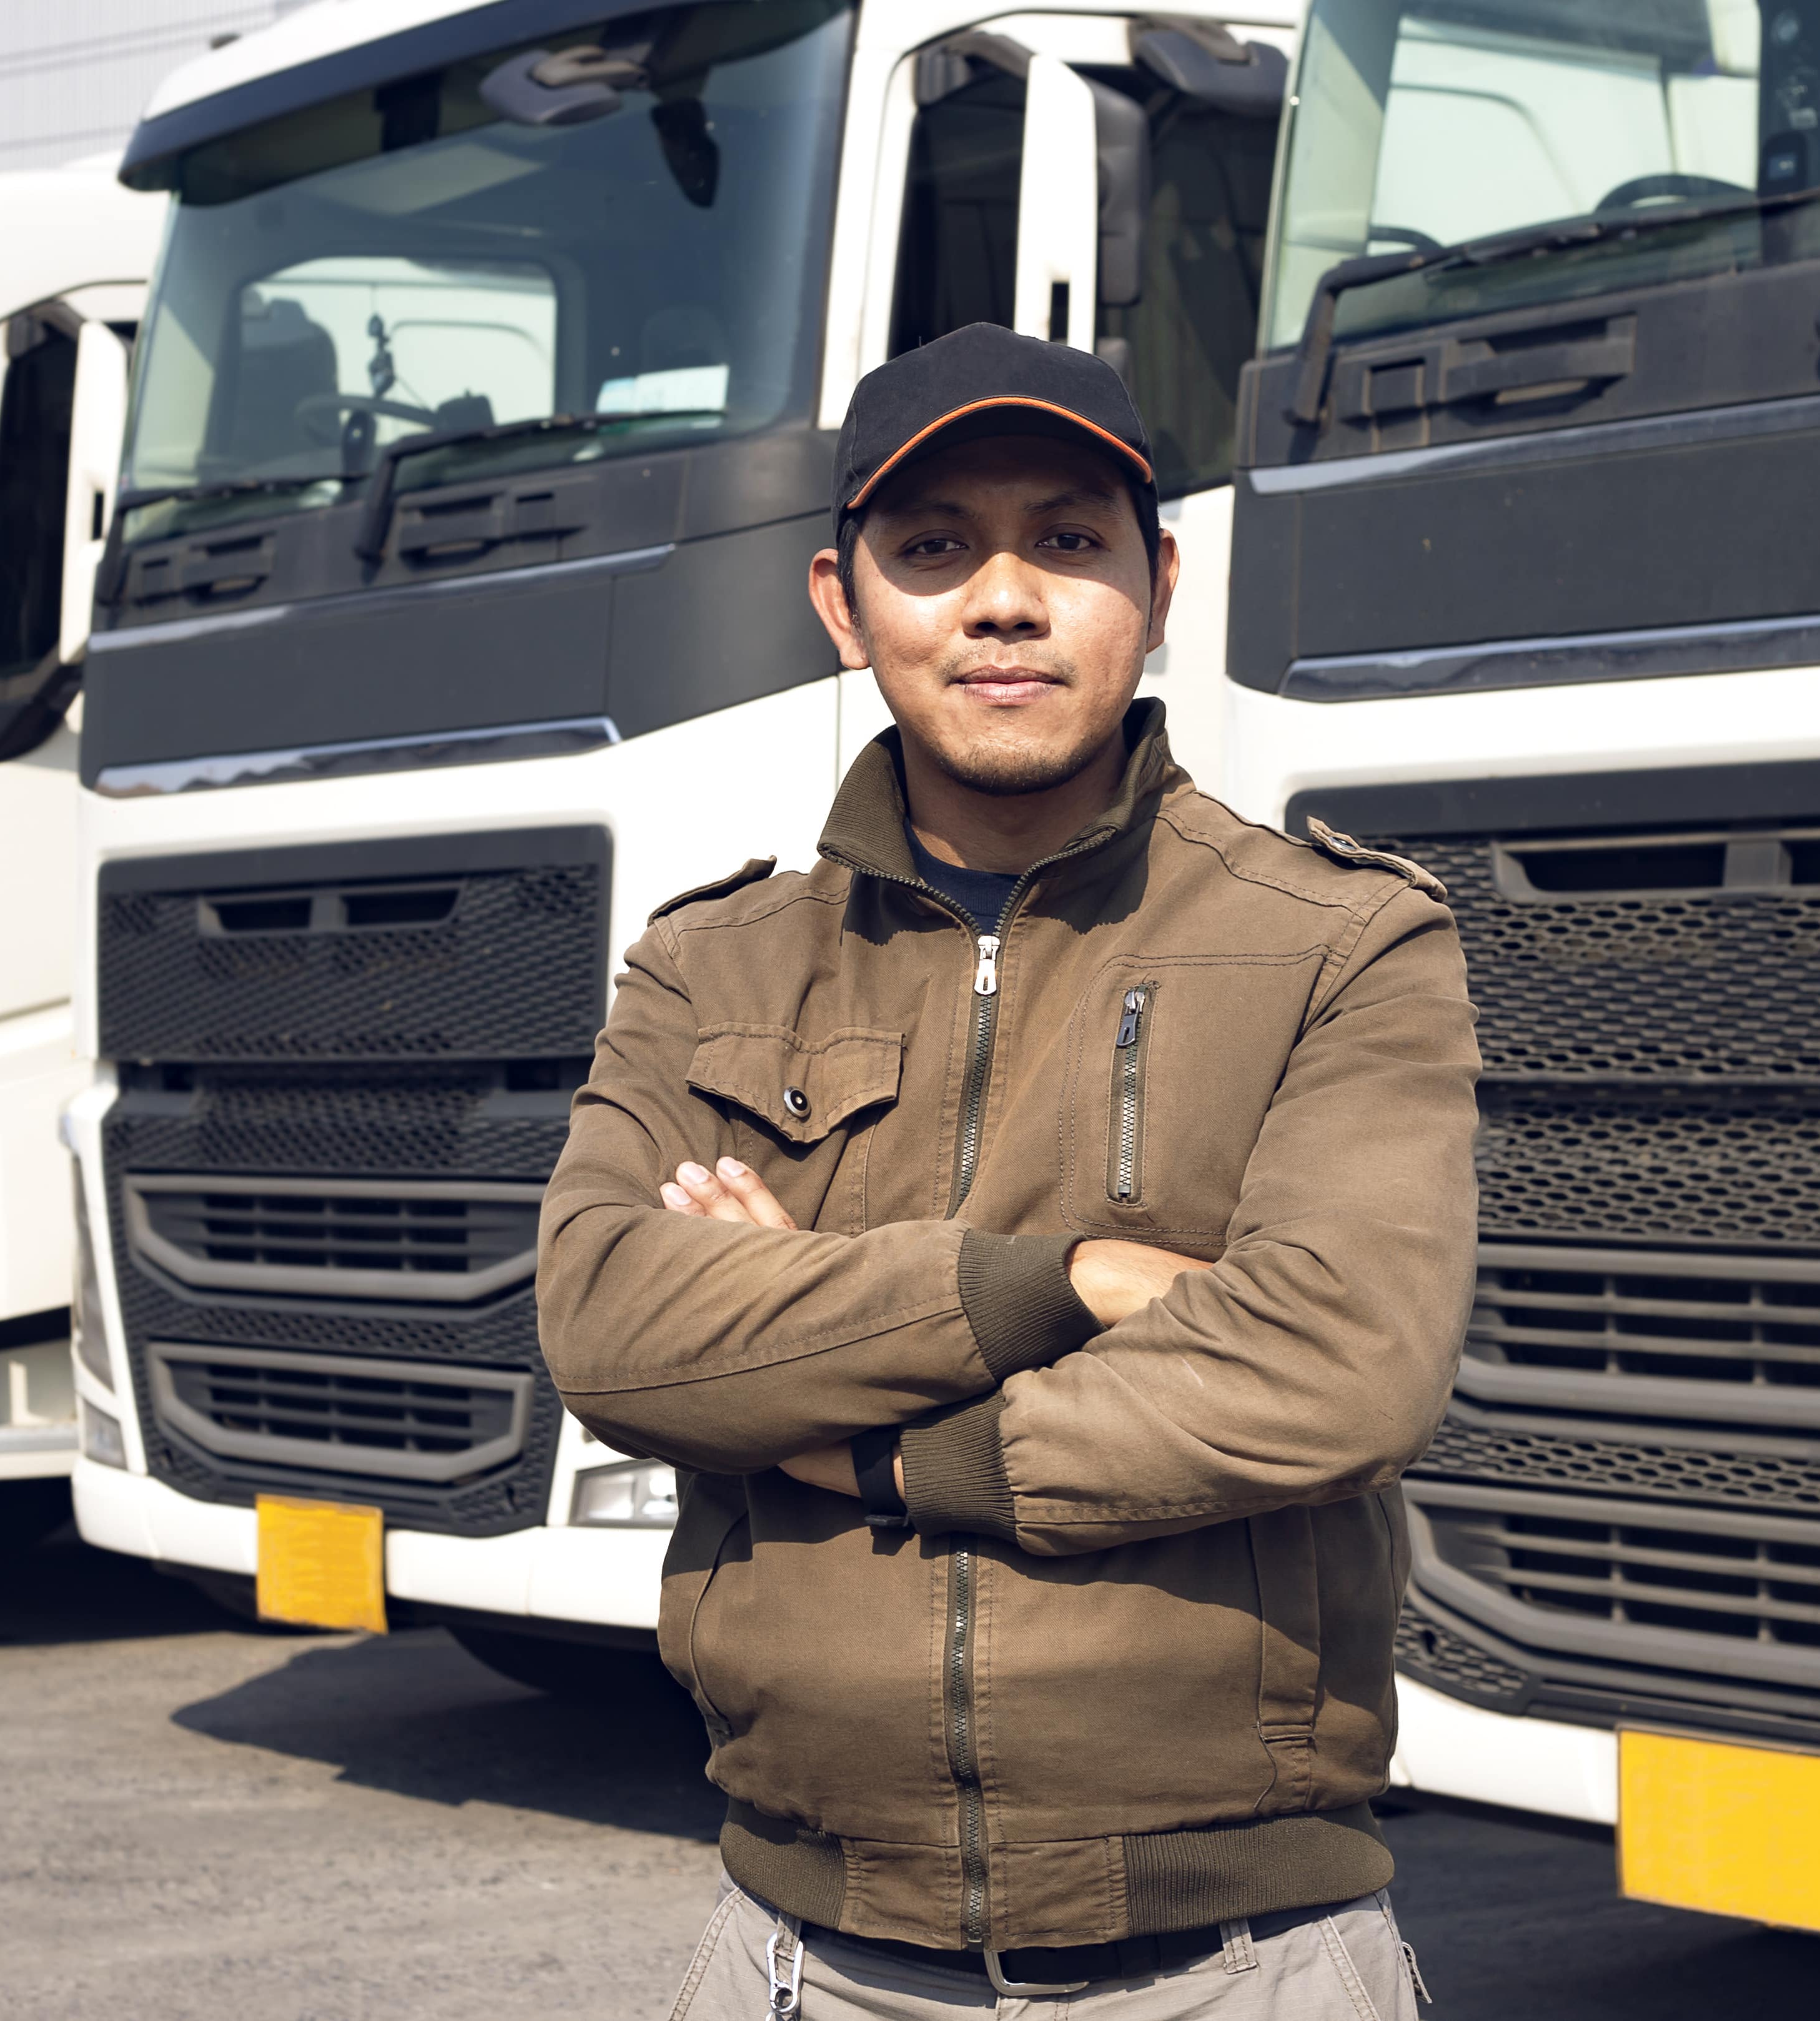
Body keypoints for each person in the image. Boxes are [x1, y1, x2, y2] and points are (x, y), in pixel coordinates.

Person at [535, 323, 1477, 2017]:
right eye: (933, 547)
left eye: (1066, 538)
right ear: (842, 604)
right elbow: (610, 1327)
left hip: (1240, 1967)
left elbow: (1340, 1363)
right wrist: (1062, 1284)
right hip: (803, 1960)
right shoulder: (710, 967)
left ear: (1159, 584)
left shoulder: (1344, 942)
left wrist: (865, 1443)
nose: (1003, 601)